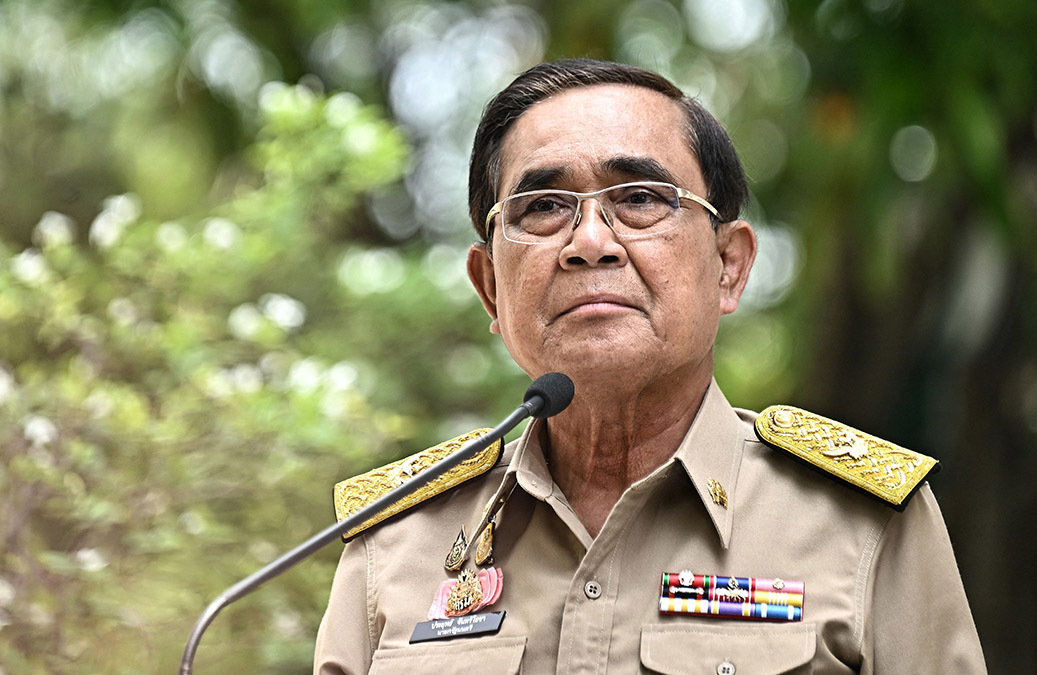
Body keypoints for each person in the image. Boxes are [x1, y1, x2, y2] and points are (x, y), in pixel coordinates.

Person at [314, 59, 986, 674]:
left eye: (638, 198)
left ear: (729, 265)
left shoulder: (861, 524)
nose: (589, 242)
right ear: (490, 287)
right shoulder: (395, 544)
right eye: (543, 206)